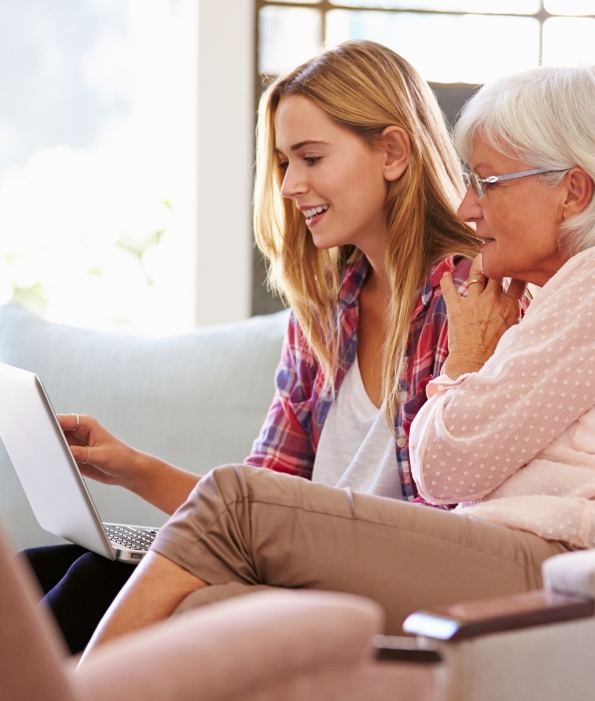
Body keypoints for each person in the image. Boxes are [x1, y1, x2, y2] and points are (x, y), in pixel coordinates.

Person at [79, 64, 595, 661]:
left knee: (232, 502)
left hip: (594, 579)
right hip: (558, 569)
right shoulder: (569, 295)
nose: (468, 206)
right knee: (204, 607)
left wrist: (465, 357)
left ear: (574, 192)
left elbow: (444, 468)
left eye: (487, 183)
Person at [25, 39, 482, 654]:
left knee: (92, 582)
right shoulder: (323, 318)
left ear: (394, 152)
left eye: (310, 157)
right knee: (42, 567)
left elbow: (457, 522)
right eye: (283, 162)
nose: (291, 185)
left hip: (388, 580)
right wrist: (131, 468)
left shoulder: (469, 298)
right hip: (303, 562)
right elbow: (254, 505)